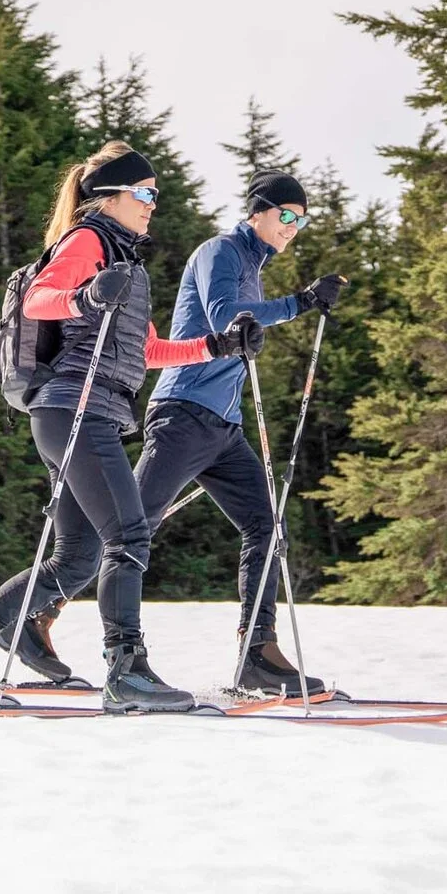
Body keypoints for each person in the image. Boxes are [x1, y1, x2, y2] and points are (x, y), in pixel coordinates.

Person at [0, 142, 264, 713]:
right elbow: (39, 300)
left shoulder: (125, 259)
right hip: (74, 408)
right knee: (128, 535)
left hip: (83, 413)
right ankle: (127, 671)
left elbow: (146, 349)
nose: (154, 204)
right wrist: (83, 296)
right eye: (146, 193)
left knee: (76, 558)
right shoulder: (89, 241)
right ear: (111, 196)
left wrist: (216, 345)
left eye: (156, 194)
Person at [141, 171, 346, 696]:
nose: (294, 227)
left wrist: (299, 304)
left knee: (266, 525)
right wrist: (300, 302)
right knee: (127, 529)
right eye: (287, 215)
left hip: (222, 429)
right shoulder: (221, 251)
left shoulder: (252, 266)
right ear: (258, 210)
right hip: (183, 411)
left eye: (303, 220)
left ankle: (259, 653)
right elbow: (226, 317)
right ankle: (9, 621)